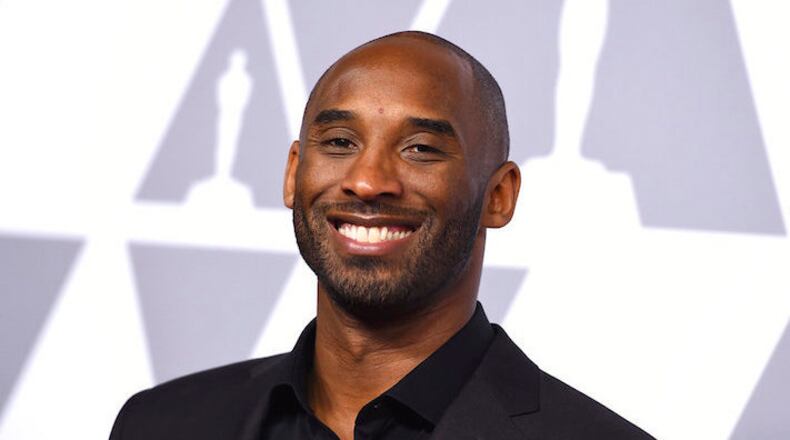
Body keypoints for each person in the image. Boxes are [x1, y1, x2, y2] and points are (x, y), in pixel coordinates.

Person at [110, 31, 654, 440]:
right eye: (341, 142)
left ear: (499, 196)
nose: (367, 181)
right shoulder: (161, 424)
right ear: (293, 173)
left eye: (420, 148)